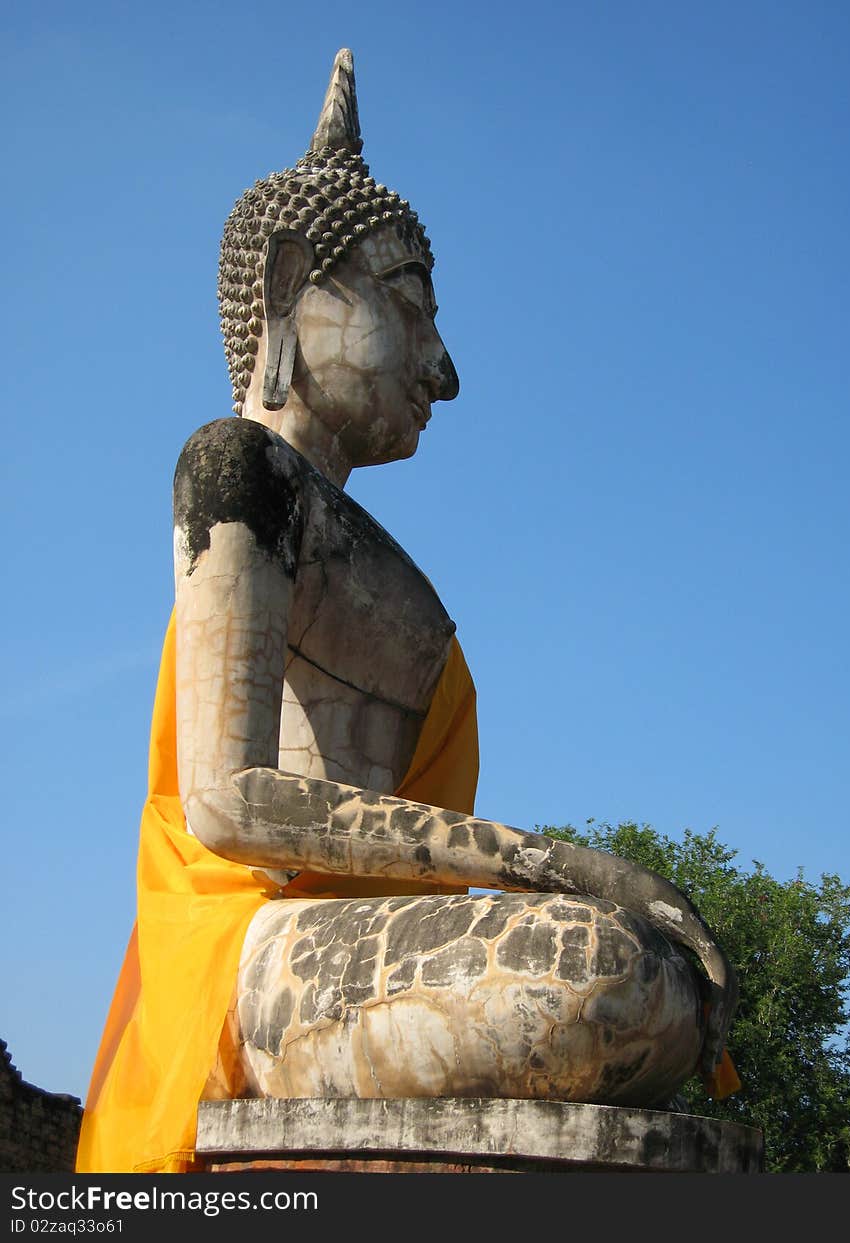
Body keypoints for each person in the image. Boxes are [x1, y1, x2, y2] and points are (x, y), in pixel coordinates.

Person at [77, 49, 738, 1175]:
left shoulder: (357, 543)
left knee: (646, 976)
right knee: (599, 970)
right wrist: (539, 862)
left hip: (362, 934)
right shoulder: (235, 473)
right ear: (294, 284)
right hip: (260, 945)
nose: (443, 368)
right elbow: (229, 802)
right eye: (410, 309)